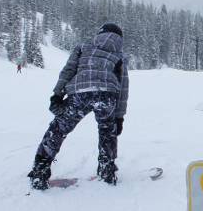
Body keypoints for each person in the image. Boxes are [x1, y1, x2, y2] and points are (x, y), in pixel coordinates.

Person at [27, 22, 129, 190]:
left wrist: (58, 93)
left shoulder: (83, 47)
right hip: (107, 95)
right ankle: (107, 171)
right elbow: (123, 87)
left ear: (100, 33)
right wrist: (119, 117)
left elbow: (68, 70)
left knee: (59, 128)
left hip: (80, 93)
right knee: (107, 132)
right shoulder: (120, 56)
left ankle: (40, 172)